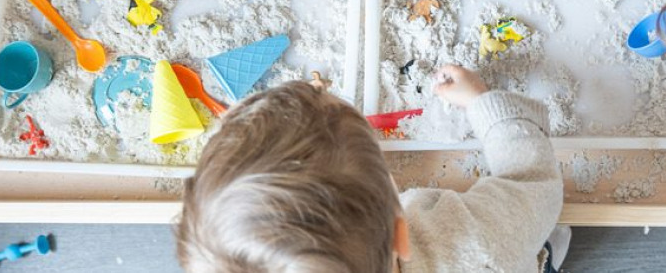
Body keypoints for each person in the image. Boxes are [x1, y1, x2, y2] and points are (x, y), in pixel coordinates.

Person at [176, 65, 569, 272]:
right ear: (401, 233)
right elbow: (531, 179)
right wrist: (486, 105)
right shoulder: (475, 240)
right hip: (504, 256)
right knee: (534, 236)